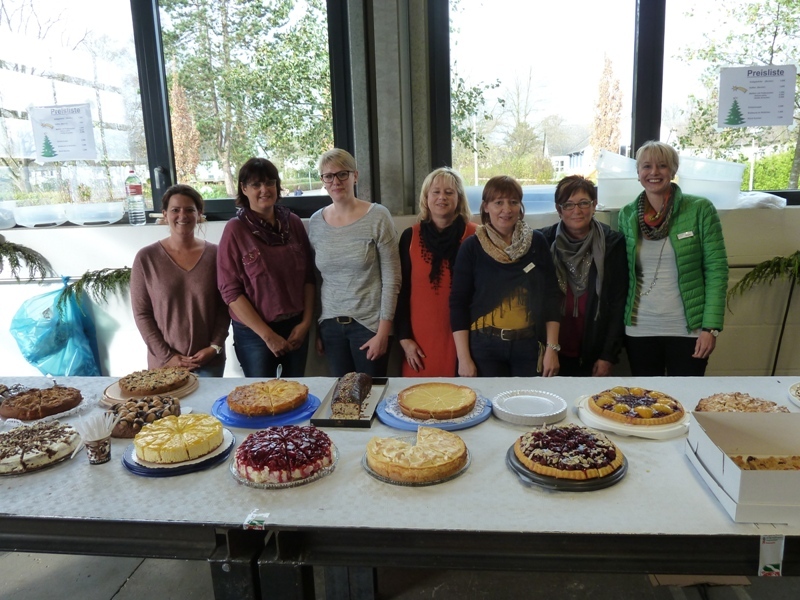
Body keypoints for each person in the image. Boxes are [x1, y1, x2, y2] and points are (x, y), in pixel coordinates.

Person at [619, 141, 728, 376]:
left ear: (673, 170)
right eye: (646, 166)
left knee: (686, 395)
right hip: (640, 328)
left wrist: (711, 328)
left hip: (688, 330)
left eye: (662, 166)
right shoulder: (627, 215)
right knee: (645, 396)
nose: (654, 172)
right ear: (638, 173)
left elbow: (716, 271)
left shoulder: (700, 209)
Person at [449, 175, 562, 377]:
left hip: (528, 345)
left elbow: (552, 296)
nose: (506, 209)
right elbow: (459, 303)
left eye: (513, 202)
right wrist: (464, 359)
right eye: (498, 202)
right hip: (484, 347)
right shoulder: (471, 247)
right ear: (486, 207)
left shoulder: (537, 242)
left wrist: (552, 348)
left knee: (529, 398)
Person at [217, 158, 315, 378]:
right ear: (244, 189)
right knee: (260, 395)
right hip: (255, 335)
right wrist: (268, 336)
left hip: (295, 329)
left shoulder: (293, 223)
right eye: (256, 184)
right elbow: (230, 291)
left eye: (270, 182)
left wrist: (306, 323)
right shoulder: (235, 230)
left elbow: (309, 278)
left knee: (296, 392)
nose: (264, 189)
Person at [308, 148, 401, 377]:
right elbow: (318, 280)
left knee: (371, 393)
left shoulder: (378, 216)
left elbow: (392, 279)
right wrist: (318, 330)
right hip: (330, 326)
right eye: (328, 176)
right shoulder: (316, 222)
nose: (336, 181)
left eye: (343, 174)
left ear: (355, 176)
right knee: (341, 394)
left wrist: (383, 332)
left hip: (369, 326)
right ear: (323, 181)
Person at [130, 184, 230, 377]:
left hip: (208, 362)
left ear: (199, 214)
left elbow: (225, 307)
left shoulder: (216, 255)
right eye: (175, 210)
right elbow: (142, 314)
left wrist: (215, 347)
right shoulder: (146, 258)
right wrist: (167, 356)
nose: (182, 216)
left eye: (189, 210)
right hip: (164, 365)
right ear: (165, 215)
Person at [539, 176, 628, 376]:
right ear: (559, 209)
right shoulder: (542, 241)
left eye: (583, 203)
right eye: (568, 205)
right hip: (551, 352)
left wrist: (608, 356)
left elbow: (618, 303)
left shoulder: (613, 244)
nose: (577, 211)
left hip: (594, 353)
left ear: (594, 205)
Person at [396, 167, 477, 376]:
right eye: (436, 192)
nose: (442, 197)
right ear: (426, 197)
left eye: (449, 192)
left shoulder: (476, 236)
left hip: (467, 339)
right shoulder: (410, 237)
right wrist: (404, 339)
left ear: (459, 198)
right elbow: (400, 292)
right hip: (419, 342)